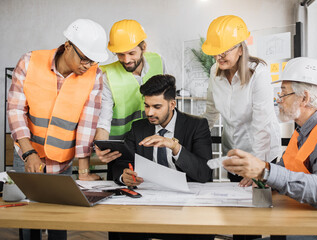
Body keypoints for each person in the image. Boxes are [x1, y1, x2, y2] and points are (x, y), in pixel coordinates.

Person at [223, 57, 317, 240]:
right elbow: (285, 170)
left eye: (283, 93)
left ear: (305, 98)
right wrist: (260, 176)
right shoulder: (303, 130)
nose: (278, 100)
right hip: (310, 220)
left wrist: (266, 171)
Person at [7, 18, 109, 240]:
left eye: (93, 60)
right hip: (27, 156)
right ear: (68, 45)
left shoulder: (96, 75)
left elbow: (87, 124)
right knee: (28, 219)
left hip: (62, 162)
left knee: (59, 221)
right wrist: (28, 153)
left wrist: (83, 171)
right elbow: (15, 110)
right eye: (85, 58)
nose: (88, 65)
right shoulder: (29, 62)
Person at [96, 74, 214, 240]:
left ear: (172, 104)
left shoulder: (196, 126)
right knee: (120, 226)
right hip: (146, 200)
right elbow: (122, 162)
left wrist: (175, 146)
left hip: (185, 202)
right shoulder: (139, 127)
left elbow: (204, 173)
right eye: (146, 106)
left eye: (157, 107)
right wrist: (124, 175)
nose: (149, 112)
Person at [201, 15, 281, 186]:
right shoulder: (214, 71)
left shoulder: (259, 73)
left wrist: (257, 167)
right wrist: (191, 137)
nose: (219, 56)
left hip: (261, 152)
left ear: (240, 49)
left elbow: (262, 124)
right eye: (216, 50)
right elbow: (211, 111)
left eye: (225, 50)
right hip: (234, 152)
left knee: (261, 204)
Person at [94, 19, 167, 180]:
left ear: (144, 47)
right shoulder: (107, 76)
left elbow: (168, 101)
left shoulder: (158, 62)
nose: (126, 60)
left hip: (154, 145)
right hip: (122, 151)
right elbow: (104, 118)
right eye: (120, 54)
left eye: (131, 53)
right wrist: (101, 146)